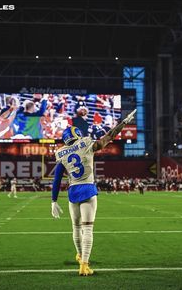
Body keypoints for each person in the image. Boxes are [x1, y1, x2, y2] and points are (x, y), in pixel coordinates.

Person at [51, 109, 136, 276]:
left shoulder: (60, 153)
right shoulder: (86, 143)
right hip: (88, 189)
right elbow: (108, 137)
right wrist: (123, 123)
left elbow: (56, 179)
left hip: (73, 191)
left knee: (75, 227)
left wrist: (54, 200)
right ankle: (84, 265)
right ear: (78, 134)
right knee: (88, 229)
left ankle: (80, 256)